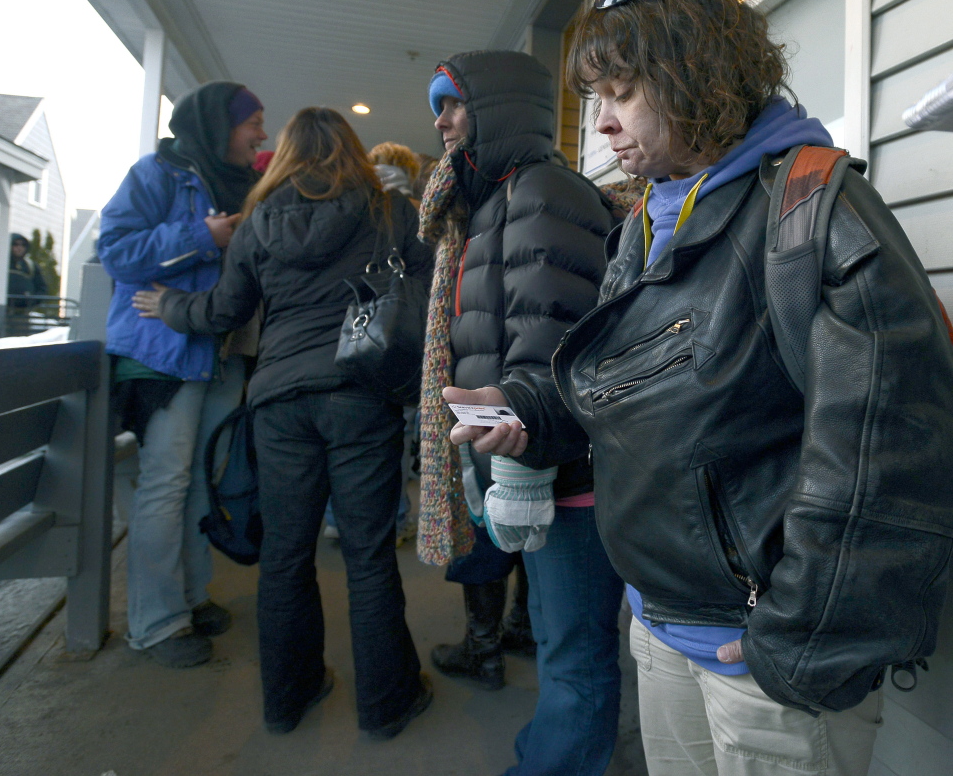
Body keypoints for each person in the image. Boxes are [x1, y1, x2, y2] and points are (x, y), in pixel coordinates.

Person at [447, 0, 953, 776]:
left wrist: (795, 643)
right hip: (656, 622)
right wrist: (525, 410)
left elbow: (887, 456)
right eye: (594, 101)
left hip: (758, 655)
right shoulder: (647, 220)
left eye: (620, 94)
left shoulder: (813, 207)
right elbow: (624, 384)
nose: (601, 126)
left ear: (693, 77)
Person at [133, 107, 434, 739]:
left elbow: (222, 311)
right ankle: (387, 705)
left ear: (292, 154)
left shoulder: (260, 221)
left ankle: (287, 699)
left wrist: (170, 306)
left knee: (285, 556)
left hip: (279, 402)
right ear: (351, 151)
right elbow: (431, 293)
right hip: (362, 393)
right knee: (370, 555)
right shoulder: (390, 212)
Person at [418, 49, 628, 775]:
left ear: (499, 106)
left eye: (452, 101)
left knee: (574, 655)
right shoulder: (488, 204)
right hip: (528, 462)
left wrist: (523, 440)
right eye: (434, 105)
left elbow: (556, 344)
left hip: (564, 473)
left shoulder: (542, 192)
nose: (440, 120)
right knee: (555, 639)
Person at [97, 80, 267, 668]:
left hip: (218, 352)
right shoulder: (156, 174)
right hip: (161, 355)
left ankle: (192, 598)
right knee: (166, 484)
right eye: (254, 122)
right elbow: (115, 250)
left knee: (200, 480)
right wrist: (203, 236)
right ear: (221, 125)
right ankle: (155, 623)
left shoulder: (246, 187)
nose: (262, 134)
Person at [0, 232, 47, 307]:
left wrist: (31, 301)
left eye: (23, 245)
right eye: (15, 244)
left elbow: (41, 287)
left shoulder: (30, 266)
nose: (20, 248)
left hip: (22, 312)